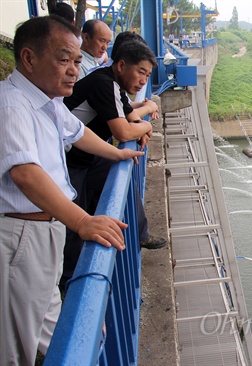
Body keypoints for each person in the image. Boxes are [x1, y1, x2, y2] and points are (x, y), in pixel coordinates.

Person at [0, 15, 144, 365]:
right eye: (63, 59)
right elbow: (25, 175)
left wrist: (120, 153)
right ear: (29, 59)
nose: (72, 70)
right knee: (18, 343)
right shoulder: (11, 103)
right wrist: (83, 222)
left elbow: (79, 133)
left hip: (44, 228)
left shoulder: (47, 102)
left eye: (77, 61)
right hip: (22, 231)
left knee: (57, 326)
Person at [60, 39, 167, 289]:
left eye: (147, 76)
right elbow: (123, 131)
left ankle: (140, 234)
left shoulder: (114, 84)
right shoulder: (103, 82)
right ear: (121, 65)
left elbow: (129, 116)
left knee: (122, 180)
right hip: (68, 161)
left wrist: (140, 121)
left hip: (88, 156)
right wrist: (147, 124)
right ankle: (70, 283)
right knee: (73, 222)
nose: (143, 81)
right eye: (141, 72)